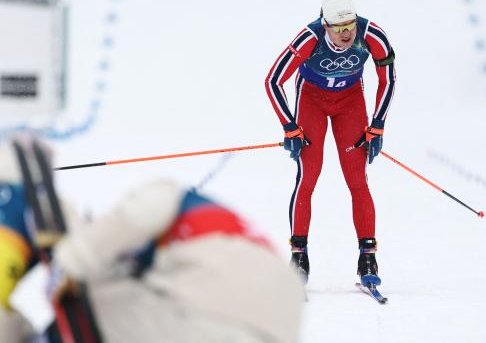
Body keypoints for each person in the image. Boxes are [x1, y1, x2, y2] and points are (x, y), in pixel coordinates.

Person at [0, 138, 305, 343]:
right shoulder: (223, 234)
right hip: (272, 326)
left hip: (212, 311)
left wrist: (71, 260)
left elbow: (144, 209)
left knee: (91, 295)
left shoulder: (176, 200)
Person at [265, 0, 396, 287]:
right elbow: (273, 80)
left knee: (357, 180)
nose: (347, 33)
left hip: (350, 103)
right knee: (308, 177)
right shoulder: (308, 38)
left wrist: (377, 125)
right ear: (325, 26)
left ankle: (367, 256)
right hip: (312, 100)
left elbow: (388, 79)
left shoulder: (372, 34)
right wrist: (289, 126)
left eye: (350, 25)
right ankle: (299, 256)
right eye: (338, 29)